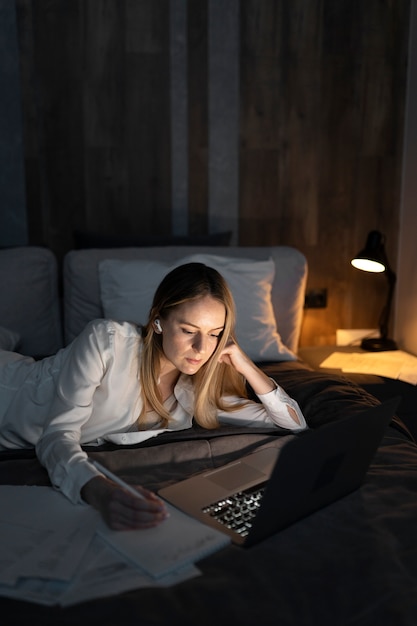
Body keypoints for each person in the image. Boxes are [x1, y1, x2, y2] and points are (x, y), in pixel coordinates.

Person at [0, 262, 306, 531]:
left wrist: (245, 364)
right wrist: (100, 491)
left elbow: (293, 423)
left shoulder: (197, 389)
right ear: (158, 321)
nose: (202, 348)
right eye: (189, 330)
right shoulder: (107, 342)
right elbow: (56, 437)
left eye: (215, 333)